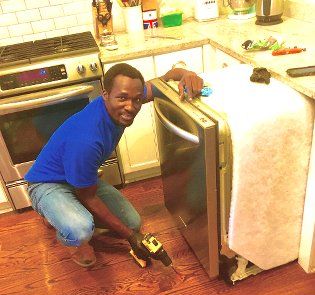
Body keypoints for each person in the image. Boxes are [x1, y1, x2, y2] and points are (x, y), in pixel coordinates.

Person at [25, 63, 203, 267]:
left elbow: (165, 79)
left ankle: (66, 208)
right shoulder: (87, 139)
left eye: (137, 99)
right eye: (122, 98)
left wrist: (187, 73)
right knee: (81, 229)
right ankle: (64, 227)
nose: (131, 106)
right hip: (46, 184)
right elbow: (89, 196)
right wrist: (131, 238)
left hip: (80, 178)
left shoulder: (126, 99)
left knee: (133, 222)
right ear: (105, 94)